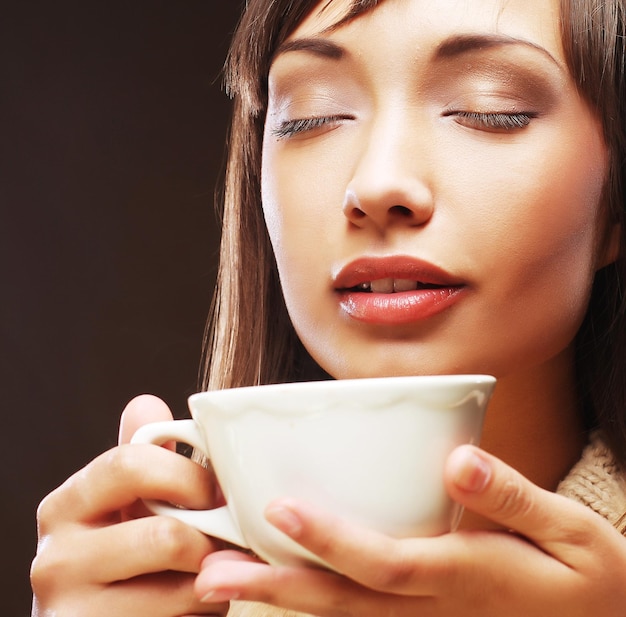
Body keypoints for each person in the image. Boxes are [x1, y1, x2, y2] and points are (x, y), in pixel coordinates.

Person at [30, 0, 626, 615]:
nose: (376, 184)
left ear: (616, 201)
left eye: (488, 109)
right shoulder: (181, 587)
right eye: (312, 116)